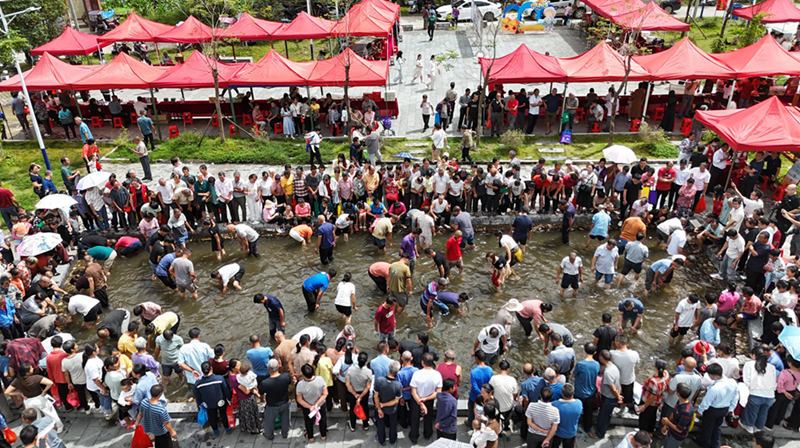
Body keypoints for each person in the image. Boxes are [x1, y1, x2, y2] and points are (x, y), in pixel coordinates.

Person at [694, 363, 738, 448]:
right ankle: (715, 444)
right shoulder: (732, 382)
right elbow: (735, 397)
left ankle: (703, 442)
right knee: (717, 426)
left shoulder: (714, 389)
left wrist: (699, 411)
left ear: (715, 376)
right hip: (724, 409)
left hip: (712, 410)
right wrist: (731, 409)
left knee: (707, 427)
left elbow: (706, 403)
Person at [741, 346, 777, 433]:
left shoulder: (749, 364)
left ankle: (748, 426)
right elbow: (774, 382)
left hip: (756, 394)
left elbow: (746, 380)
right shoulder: (772, 367)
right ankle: (758, 428)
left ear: (753, 355)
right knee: (763, 413)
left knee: (752, 412)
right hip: (770, 396)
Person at [409, 353, 442, 444]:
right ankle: (427, 434)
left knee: (414, 418)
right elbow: (438, 392)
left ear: (422, 362)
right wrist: (425, 399)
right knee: (428, 417)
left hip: (417, 400)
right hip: (429, 399)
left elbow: (413, 392)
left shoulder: (416, 374)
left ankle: (414, 436)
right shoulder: (437, 374)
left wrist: (420, 402)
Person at [193, 361, 232, 437]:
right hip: (221, 401)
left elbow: (197, 395)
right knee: (223, 415)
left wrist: (199, 404)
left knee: (212, 416)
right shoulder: (220, 379)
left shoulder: (198, 384)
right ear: (211, 368)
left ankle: (216, 431)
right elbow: (226, 390)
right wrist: (229, 398)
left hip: (208, 403)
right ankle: (227, 429)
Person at [296, 364, 328, 442]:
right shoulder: (320, 379)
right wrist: (316, 405)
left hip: (307, 407)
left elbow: (299, 400)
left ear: (303, 374)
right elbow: (325, 393)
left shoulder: (300, 384)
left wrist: (310, 406)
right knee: (322, 419)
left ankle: (311, 437)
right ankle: (323, 435)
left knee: (308, 421)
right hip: (320, 404)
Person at [374, 360, 402, 446]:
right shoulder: (398, 385)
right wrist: (384, 405)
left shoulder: (379, 380)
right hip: (392, 409)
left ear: (389, 368)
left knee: (381, 424)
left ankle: (382, 440)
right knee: (393, 424)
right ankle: (392, 440)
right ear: (397, 371)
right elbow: (396, 400)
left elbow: (375, 396)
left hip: (380, 408)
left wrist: (379, 408)